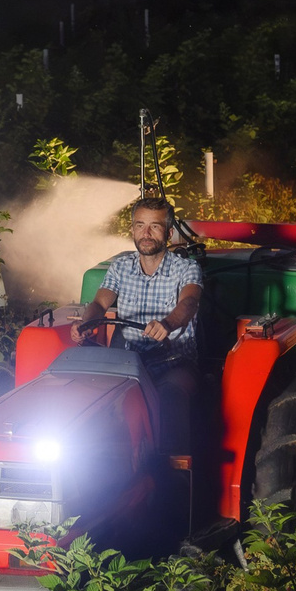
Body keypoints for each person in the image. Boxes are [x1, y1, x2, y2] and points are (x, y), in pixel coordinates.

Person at [86, 197, 201, 459]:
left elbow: (190, 302)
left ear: (169, 233)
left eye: (154, 227)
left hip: (173, 361)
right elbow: (98, 303)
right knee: (91, 398)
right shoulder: (120, 267)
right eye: (140, 226)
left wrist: (168, 324)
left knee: (169, 397)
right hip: (127, 363)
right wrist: (86, 322)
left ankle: (176, 478)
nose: (145, 234)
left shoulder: (186, 268)